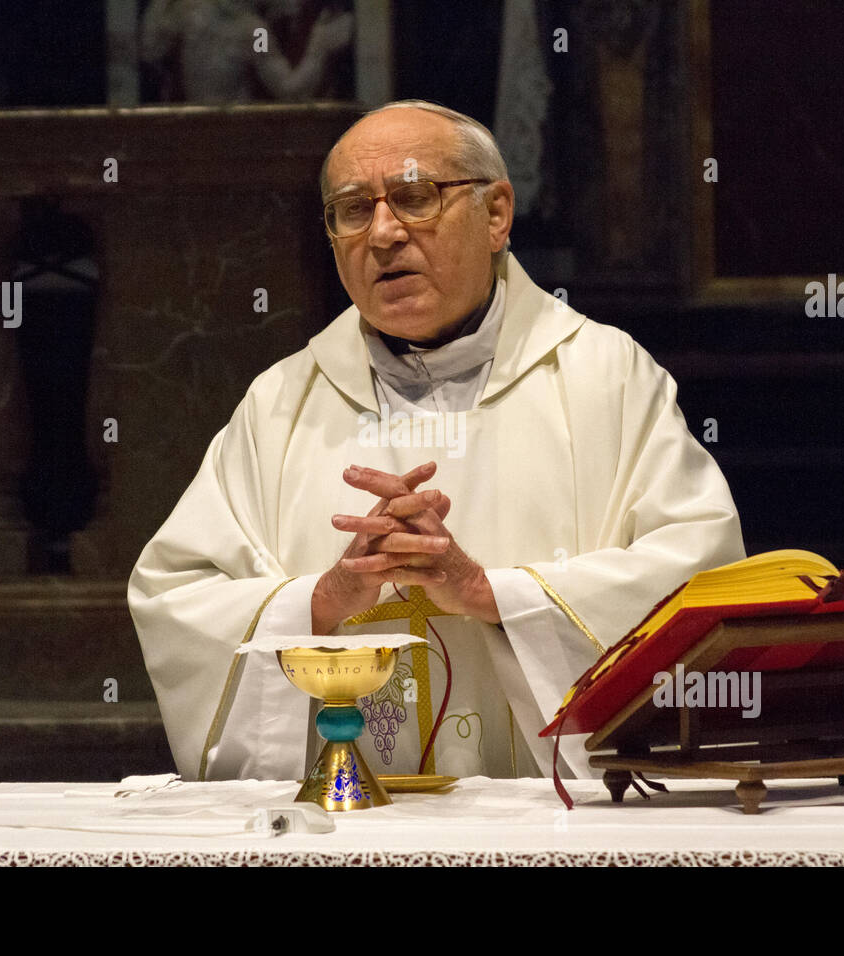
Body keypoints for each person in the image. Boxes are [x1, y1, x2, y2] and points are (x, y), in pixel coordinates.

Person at [128, 100, 745, 782]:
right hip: (344, 835)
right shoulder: (281, 403)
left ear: (497, 214)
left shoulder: (607, 377)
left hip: (552, 831)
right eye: (353, 210)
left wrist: (491, 594)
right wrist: (325, 599)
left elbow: (698, 574)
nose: (383, 233)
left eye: (415, 197)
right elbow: (175, 596)